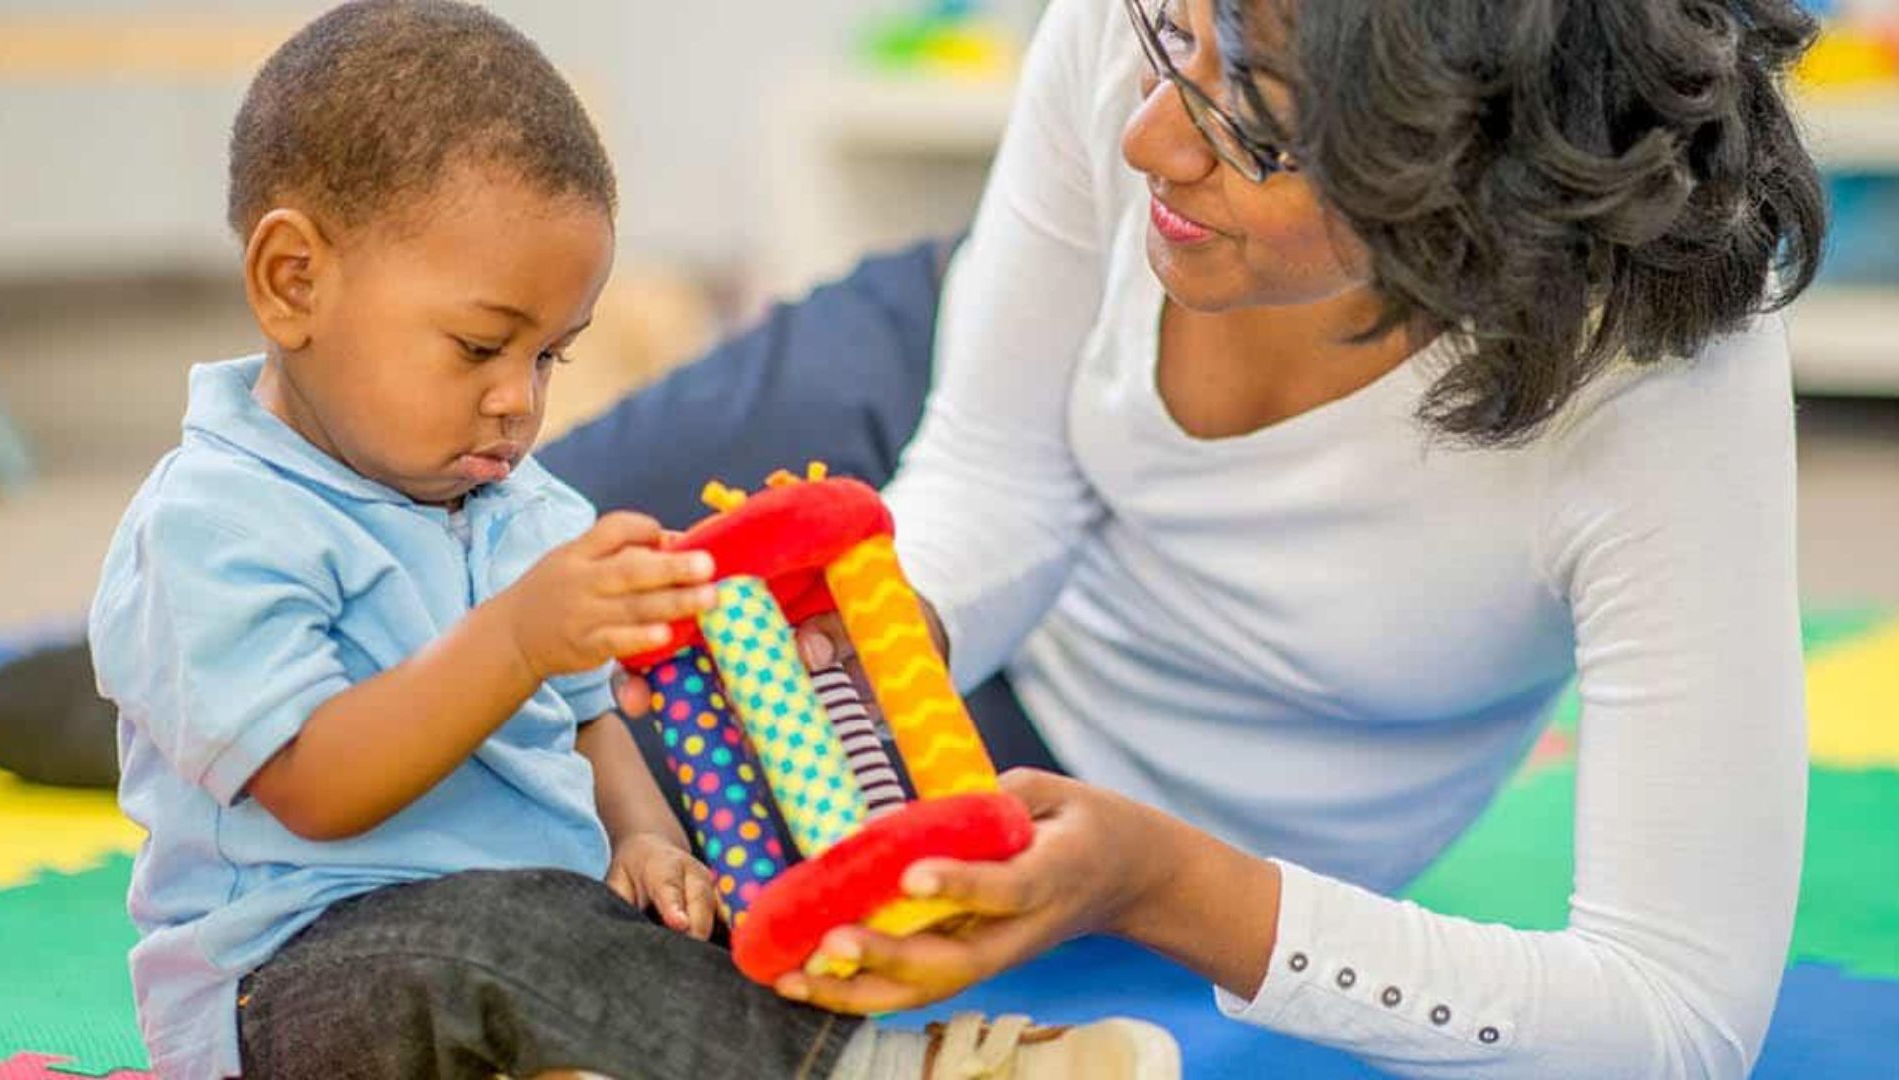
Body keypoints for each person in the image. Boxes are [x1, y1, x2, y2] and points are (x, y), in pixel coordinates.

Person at [610, 0, 1815, 1074]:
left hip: (1144, 812)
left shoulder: (1666, 389)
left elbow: (1677, 1019)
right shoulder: (1149, 41)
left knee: (583, 899)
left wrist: (1168, 887)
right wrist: (877, 635)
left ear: (1471, 171)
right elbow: (994, 464)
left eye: (1258, 133)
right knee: (462, 603)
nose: (1150, 140)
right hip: (909, 423)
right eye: (1165, 37)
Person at [84, 3, 1176, 1078]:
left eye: (552, 357)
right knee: (497, 942)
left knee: (699, 917)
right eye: (478, 347)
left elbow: (594, 719)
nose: (518, 401)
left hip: (534, 935)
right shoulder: (214, 523)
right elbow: (316, 786)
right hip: (299, 984)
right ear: (293, 281)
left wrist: (643, 839)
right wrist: (516, 640)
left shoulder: (519, 509)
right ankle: (885, 1072)